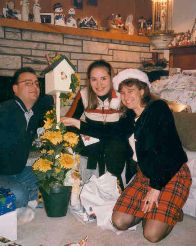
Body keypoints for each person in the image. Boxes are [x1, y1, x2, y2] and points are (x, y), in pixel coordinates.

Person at [61, 68, 192, 243]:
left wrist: (156, 188)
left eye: (130, 91)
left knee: (151, 235)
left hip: (171, 173)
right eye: (122, 93)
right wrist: (77, 123)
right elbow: (108, 132)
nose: (126, 97)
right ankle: (157, 211)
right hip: (145, 174)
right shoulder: (130, 116)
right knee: (119, 221)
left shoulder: (158, 109)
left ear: (142, 90)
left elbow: (167, 151)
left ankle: (172, 211)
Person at [65, 60, 131, 188]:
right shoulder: (83, 95)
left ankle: (115, 187)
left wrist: (82, 126)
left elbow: (122, 131)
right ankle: (87, 187)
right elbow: (69, 121)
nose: (99, 84)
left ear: (111, 78)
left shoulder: (122, 96)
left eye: (103, 78)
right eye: (94, 79)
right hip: (93, 140)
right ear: (89, 80)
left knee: (115, 146)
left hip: (115, 140)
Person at [0, 67, 54, 215]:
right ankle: (24, 197)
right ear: (15, 88)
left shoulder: (31, 112)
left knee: (47, 175)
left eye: (37, 83)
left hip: (17, 170)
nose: (35, 87)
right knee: (19, 194)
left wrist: (54, 72)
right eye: (28, 83)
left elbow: (50, 98)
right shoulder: (4, 111)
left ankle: (25, 198)